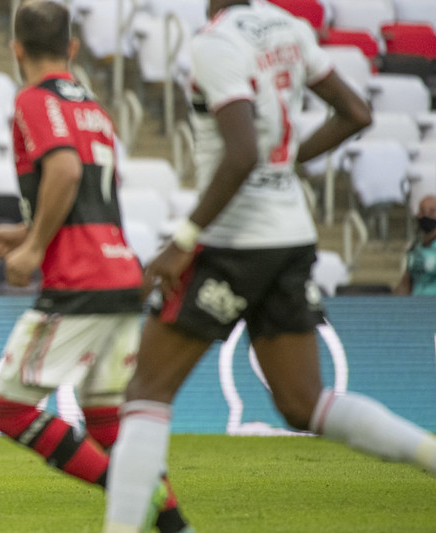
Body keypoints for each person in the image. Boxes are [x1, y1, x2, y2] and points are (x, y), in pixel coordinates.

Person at [103, 1, 436, 531]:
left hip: (235, 241)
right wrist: (295, 160)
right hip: (293, 234)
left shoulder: (215, 44)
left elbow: (241, 154)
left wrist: (183, 240)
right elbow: (357, 112)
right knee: (303, 404)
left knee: (146, 392)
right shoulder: (290, 28)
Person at [0, 2, 190, 532]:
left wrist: (33, 251)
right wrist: (30, 234)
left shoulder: (33, 99)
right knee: (104, 419)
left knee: (11, 410)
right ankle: (174, 525)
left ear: (16, 49)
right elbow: (90, 198)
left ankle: (131, 494)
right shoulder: (93, 106)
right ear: (72, 48)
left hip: (80, 280)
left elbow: (66, 172)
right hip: (122, 274)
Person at [394, 195, 436, 295]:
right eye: (422, 211)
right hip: (416, 305)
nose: (426, 215)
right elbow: (405, 284)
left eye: (432, 211)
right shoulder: (415, 249)